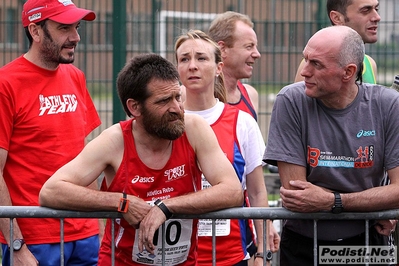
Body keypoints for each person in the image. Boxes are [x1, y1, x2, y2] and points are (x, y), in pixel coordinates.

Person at [39, 53, 244, 266]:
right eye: (164, 101)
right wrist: (121, 203)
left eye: (177, 96)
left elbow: (232, 190)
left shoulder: (194, 129)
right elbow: (51, 191)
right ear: (134, 107)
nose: (177, 108)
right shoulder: (115, 141)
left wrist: (165, 208)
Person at [263, 25, 399, 266]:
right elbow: (298, 195)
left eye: (316, 64)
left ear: (348, 72)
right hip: (304, 244)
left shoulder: (387, 105)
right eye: (305, 59)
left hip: (368, 243)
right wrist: (375, 203)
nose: (304, 71)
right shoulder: (291, 100)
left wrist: (333, 201)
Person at [0, 0, 101, 265]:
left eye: (76, 27)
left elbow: (86, 155)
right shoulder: (6, 84)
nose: (75, 37)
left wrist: (99, 228)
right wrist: (17, 245)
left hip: (85, 232)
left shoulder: (75, 76)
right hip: (35, 238)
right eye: (64, 28)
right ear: (35, 31)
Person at [174, 29, 280, 266]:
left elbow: (257, 192)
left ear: (219, 68)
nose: (192, 66)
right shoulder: (167, 123)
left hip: (230, 256)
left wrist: (262, 252)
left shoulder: (242, 122)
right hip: (177, 257)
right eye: (184, 59)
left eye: (201, 58)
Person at [294, 0, 380, 84]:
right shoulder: (313, 64)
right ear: (337, 18)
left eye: (376, 9)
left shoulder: (369, 64)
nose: (377, 17)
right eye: (365, 10)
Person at [208, 11, 260, 120]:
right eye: (249, 47)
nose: (257, 54)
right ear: (222, 49)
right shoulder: (192, 95)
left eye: (255, 47)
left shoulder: (251, 95)